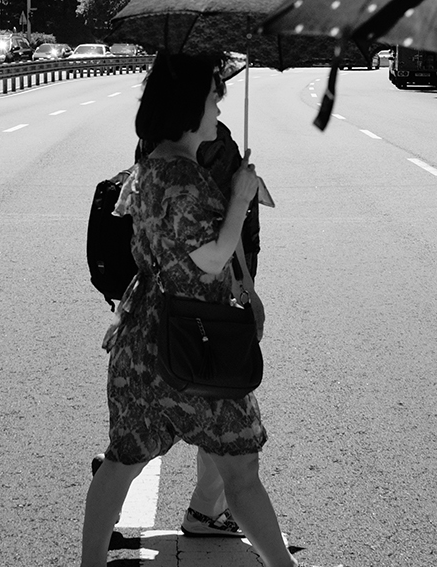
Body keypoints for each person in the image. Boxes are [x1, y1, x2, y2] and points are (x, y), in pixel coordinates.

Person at [81, 52, 299, 567]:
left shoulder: (150, 166)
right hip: (196, 340)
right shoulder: (183, 179)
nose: (218, 104)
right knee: (241, 472)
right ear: (187, 108)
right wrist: (241, 198)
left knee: (122, 461)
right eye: (211, 95)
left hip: (143, 341)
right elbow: (210, 259)